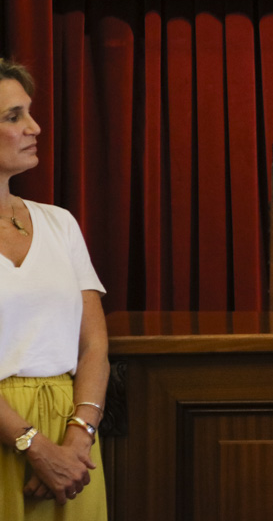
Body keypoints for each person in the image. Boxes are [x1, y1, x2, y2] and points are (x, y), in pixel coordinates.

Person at [0, 58, 109, 520]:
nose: (35, 126)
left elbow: (94, 344)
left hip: (72, 439)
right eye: (13, 116)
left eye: (30, 112)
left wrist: (77, 439)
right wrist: (32, 444)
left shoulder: (59, 223)